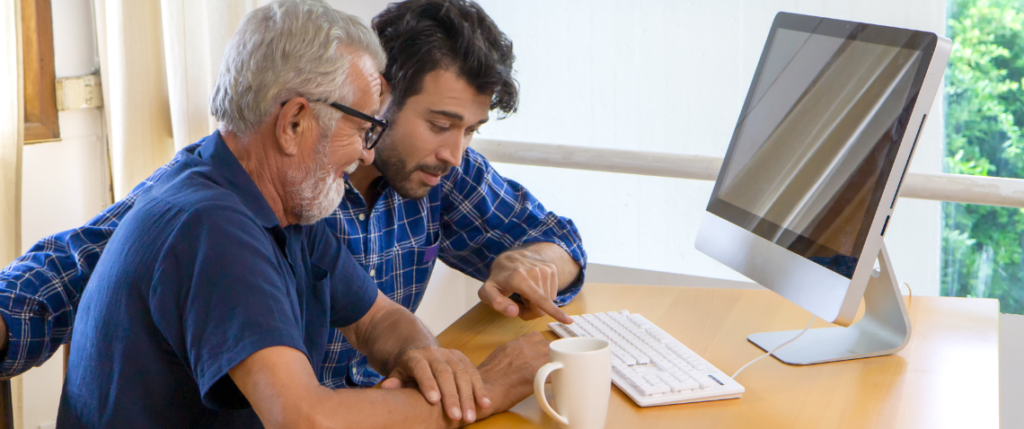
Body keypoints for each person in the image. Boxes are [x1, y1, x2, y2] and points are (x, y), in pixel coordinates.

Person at [0, 0, 585, 389]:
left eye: (470, 131)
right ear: (379, 97)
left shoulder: (440, 175)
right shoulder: (249, 194)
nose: (456, 152)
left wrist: (531, 265)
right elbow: (75, 264)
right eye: (440, 123)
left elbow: (559, 242)